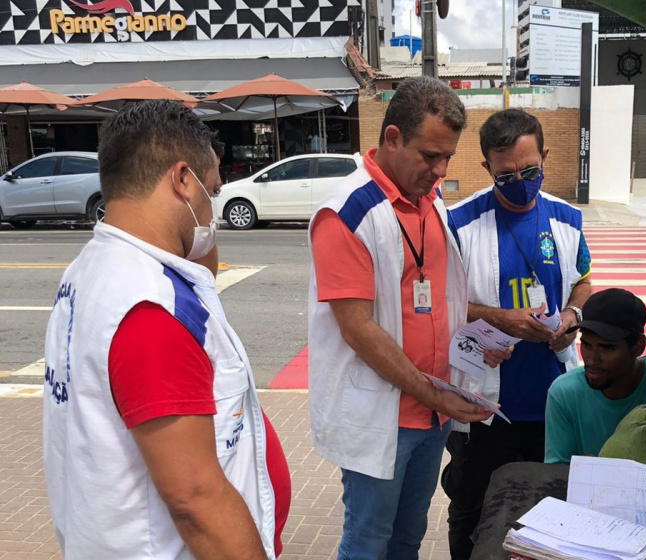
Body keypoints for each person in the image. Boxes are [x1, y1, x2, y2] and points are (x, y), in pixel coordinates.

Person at [42, 100, 291, 560]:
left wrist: (198, 236)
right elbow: (194, 502)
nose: (212, 209)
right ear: (181, 181)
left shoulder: (94, 269)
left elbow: (203, 280)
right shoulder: (150, 311)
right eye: (210, 191)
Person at [308, 76, 494, 560]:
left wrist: (478, 342)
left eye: (448, 157)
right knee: (368, 542)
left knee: (408, 538)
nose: (440, 169)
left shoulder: (431, 204)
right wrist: (436, 394)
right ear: (392, 138)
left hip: (432, 414)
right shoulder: (348, 213)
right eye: (429, 155)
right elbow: (359, 329)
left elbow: (440, 303)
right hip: (384, 416)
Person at [443, 108, 592, 559]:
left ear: (545, 155)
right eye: (506, 175)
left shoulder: (567, 218)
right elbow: (434, 305)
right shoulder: (458, 225)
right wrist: (497, 320)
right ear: (487, 167)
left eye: (530, 171)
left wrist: (572, 317)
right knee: (472, 514)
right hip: (485, 407)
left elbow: (583, 280)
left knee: (549, 515)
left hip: (554, 404)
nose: (520, 182)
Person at [545, 288, 646, 464]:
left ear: (638, 346)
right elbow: (557, 472)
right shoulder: (564, 393)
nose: (592, 359)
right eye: (586, 345)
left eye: (607, 348)